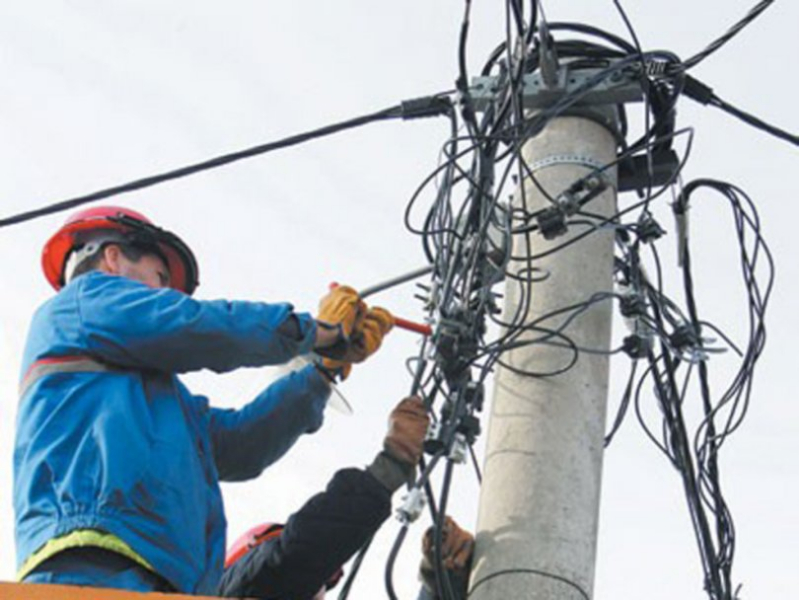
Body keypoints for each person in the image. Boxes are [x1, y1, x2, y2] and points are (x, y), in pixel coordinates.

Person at [13, 206, 392, 595]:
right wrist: (315, 331)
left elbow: (243, 444)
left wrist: (321, 372)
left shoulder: (157, 405)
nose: (164, 293)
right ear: (112, 257)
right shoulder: (80, 304)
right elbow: (190, 325)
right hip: (91, 559)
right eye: (161, 278)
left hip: (158, 573)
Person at [219, 396, 476, 600]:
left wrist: (439, 585)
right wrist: (390, 468)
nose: (318, 591)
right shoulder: (234, 584)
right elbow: (295, 555)